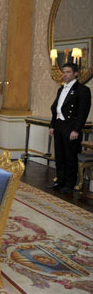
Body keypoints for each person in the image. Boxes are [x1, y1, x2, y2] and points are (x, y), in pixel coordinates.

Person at [48, 62, 91, 195]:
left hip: (70, 127)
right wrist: (52, 125)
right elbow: (56, 109)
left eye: (68, 72)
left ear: (75, 74)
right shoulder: (61, 89)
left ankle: (69, 184)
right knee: (60, 156)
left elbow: (82, 113)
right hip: (59, 126)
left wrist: (76, 130)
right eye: (64, 72)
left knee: (70, 157)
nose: (64, 75)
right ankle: (59, 180)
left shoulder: (82, 90)